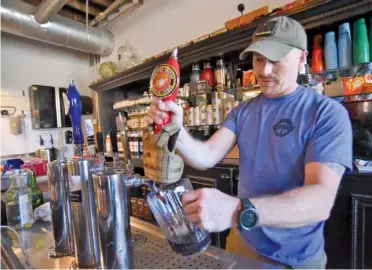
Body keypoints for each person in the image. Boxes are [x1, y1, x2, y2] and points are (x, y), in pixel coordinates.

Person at [144, 16, 353, 269]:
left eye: (275, 60)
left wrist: (236, 210)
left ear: (301, 58)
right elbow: (206, 156)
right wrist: (175, 130)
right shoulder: (243, 111)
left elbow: (320, 201)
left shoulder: (326, 113)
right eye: (258, 59)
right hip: (241, 242)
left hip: (294, 258)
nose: (264, 71)